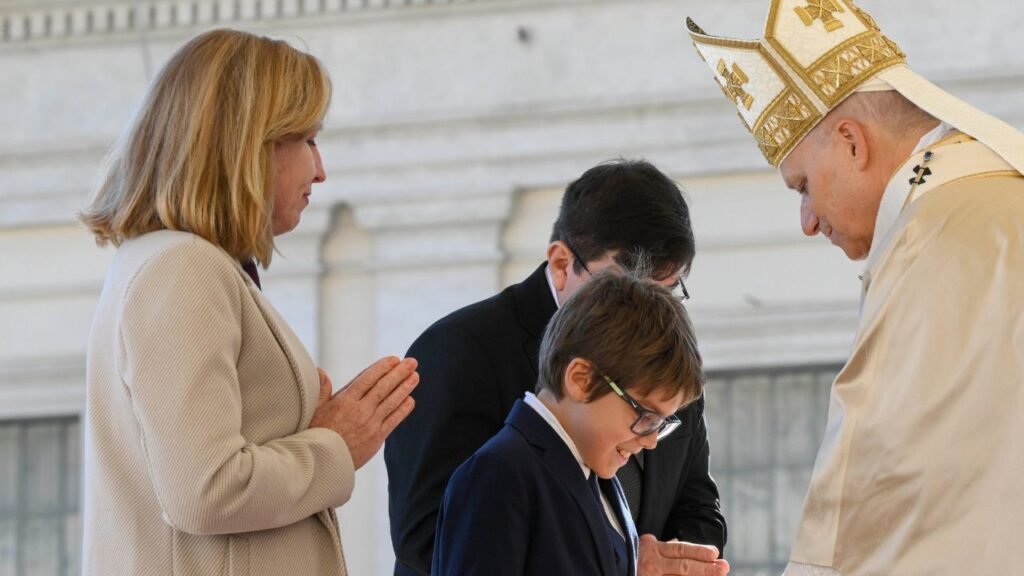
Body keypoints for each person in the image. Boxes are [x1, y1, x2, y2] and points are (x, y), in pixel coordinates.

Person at [688, 1, 1024, 574]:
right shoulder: (990, 197)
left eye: (802, 186)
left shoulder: (933, 236)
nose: (808, 220)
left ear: (850, 141)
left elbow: (876, 478)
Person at [79, 29, 418, 576]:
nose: (321, 168)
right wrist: (336, 443)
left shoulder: (176, 263)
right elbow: (205, 490)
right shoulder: (181, 268)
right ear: (250, 144)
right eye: (307, 139)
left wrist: (302, 425)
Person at [386, 159, 728, 576]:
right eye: (626, 285)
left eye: (668, 291)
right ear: (563, 262)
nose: (652, 313)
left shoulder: (663, 352)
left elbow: (695, 498)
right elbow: (428, 535)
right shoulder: (460, 350)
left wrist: (686, 563)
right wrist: (621, 561)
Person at [433, 271, 728, 576]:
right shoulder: (499, 473)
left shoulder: (598, 475)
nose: (651, 441)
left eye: (661, 423)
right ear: (582, 380)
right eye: (646, 416)